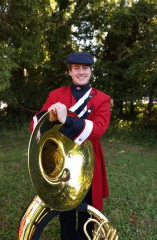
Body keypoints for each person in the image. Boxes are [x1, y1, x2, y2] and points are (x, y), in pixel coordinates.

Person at [30, 52, 111, 240]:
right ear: (70, 71)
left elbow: (98, 129)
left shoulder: (102, 99)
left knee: (87, 206)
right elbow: (35, 124)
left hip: (89, 161)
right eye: (76, 68)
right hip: (61, 160)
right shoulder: (56, 94)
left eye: (85, 68)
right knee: (64, 205)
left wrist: (67, 121)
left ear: (91, 71)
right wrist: (49, 118)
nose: (81, 72)